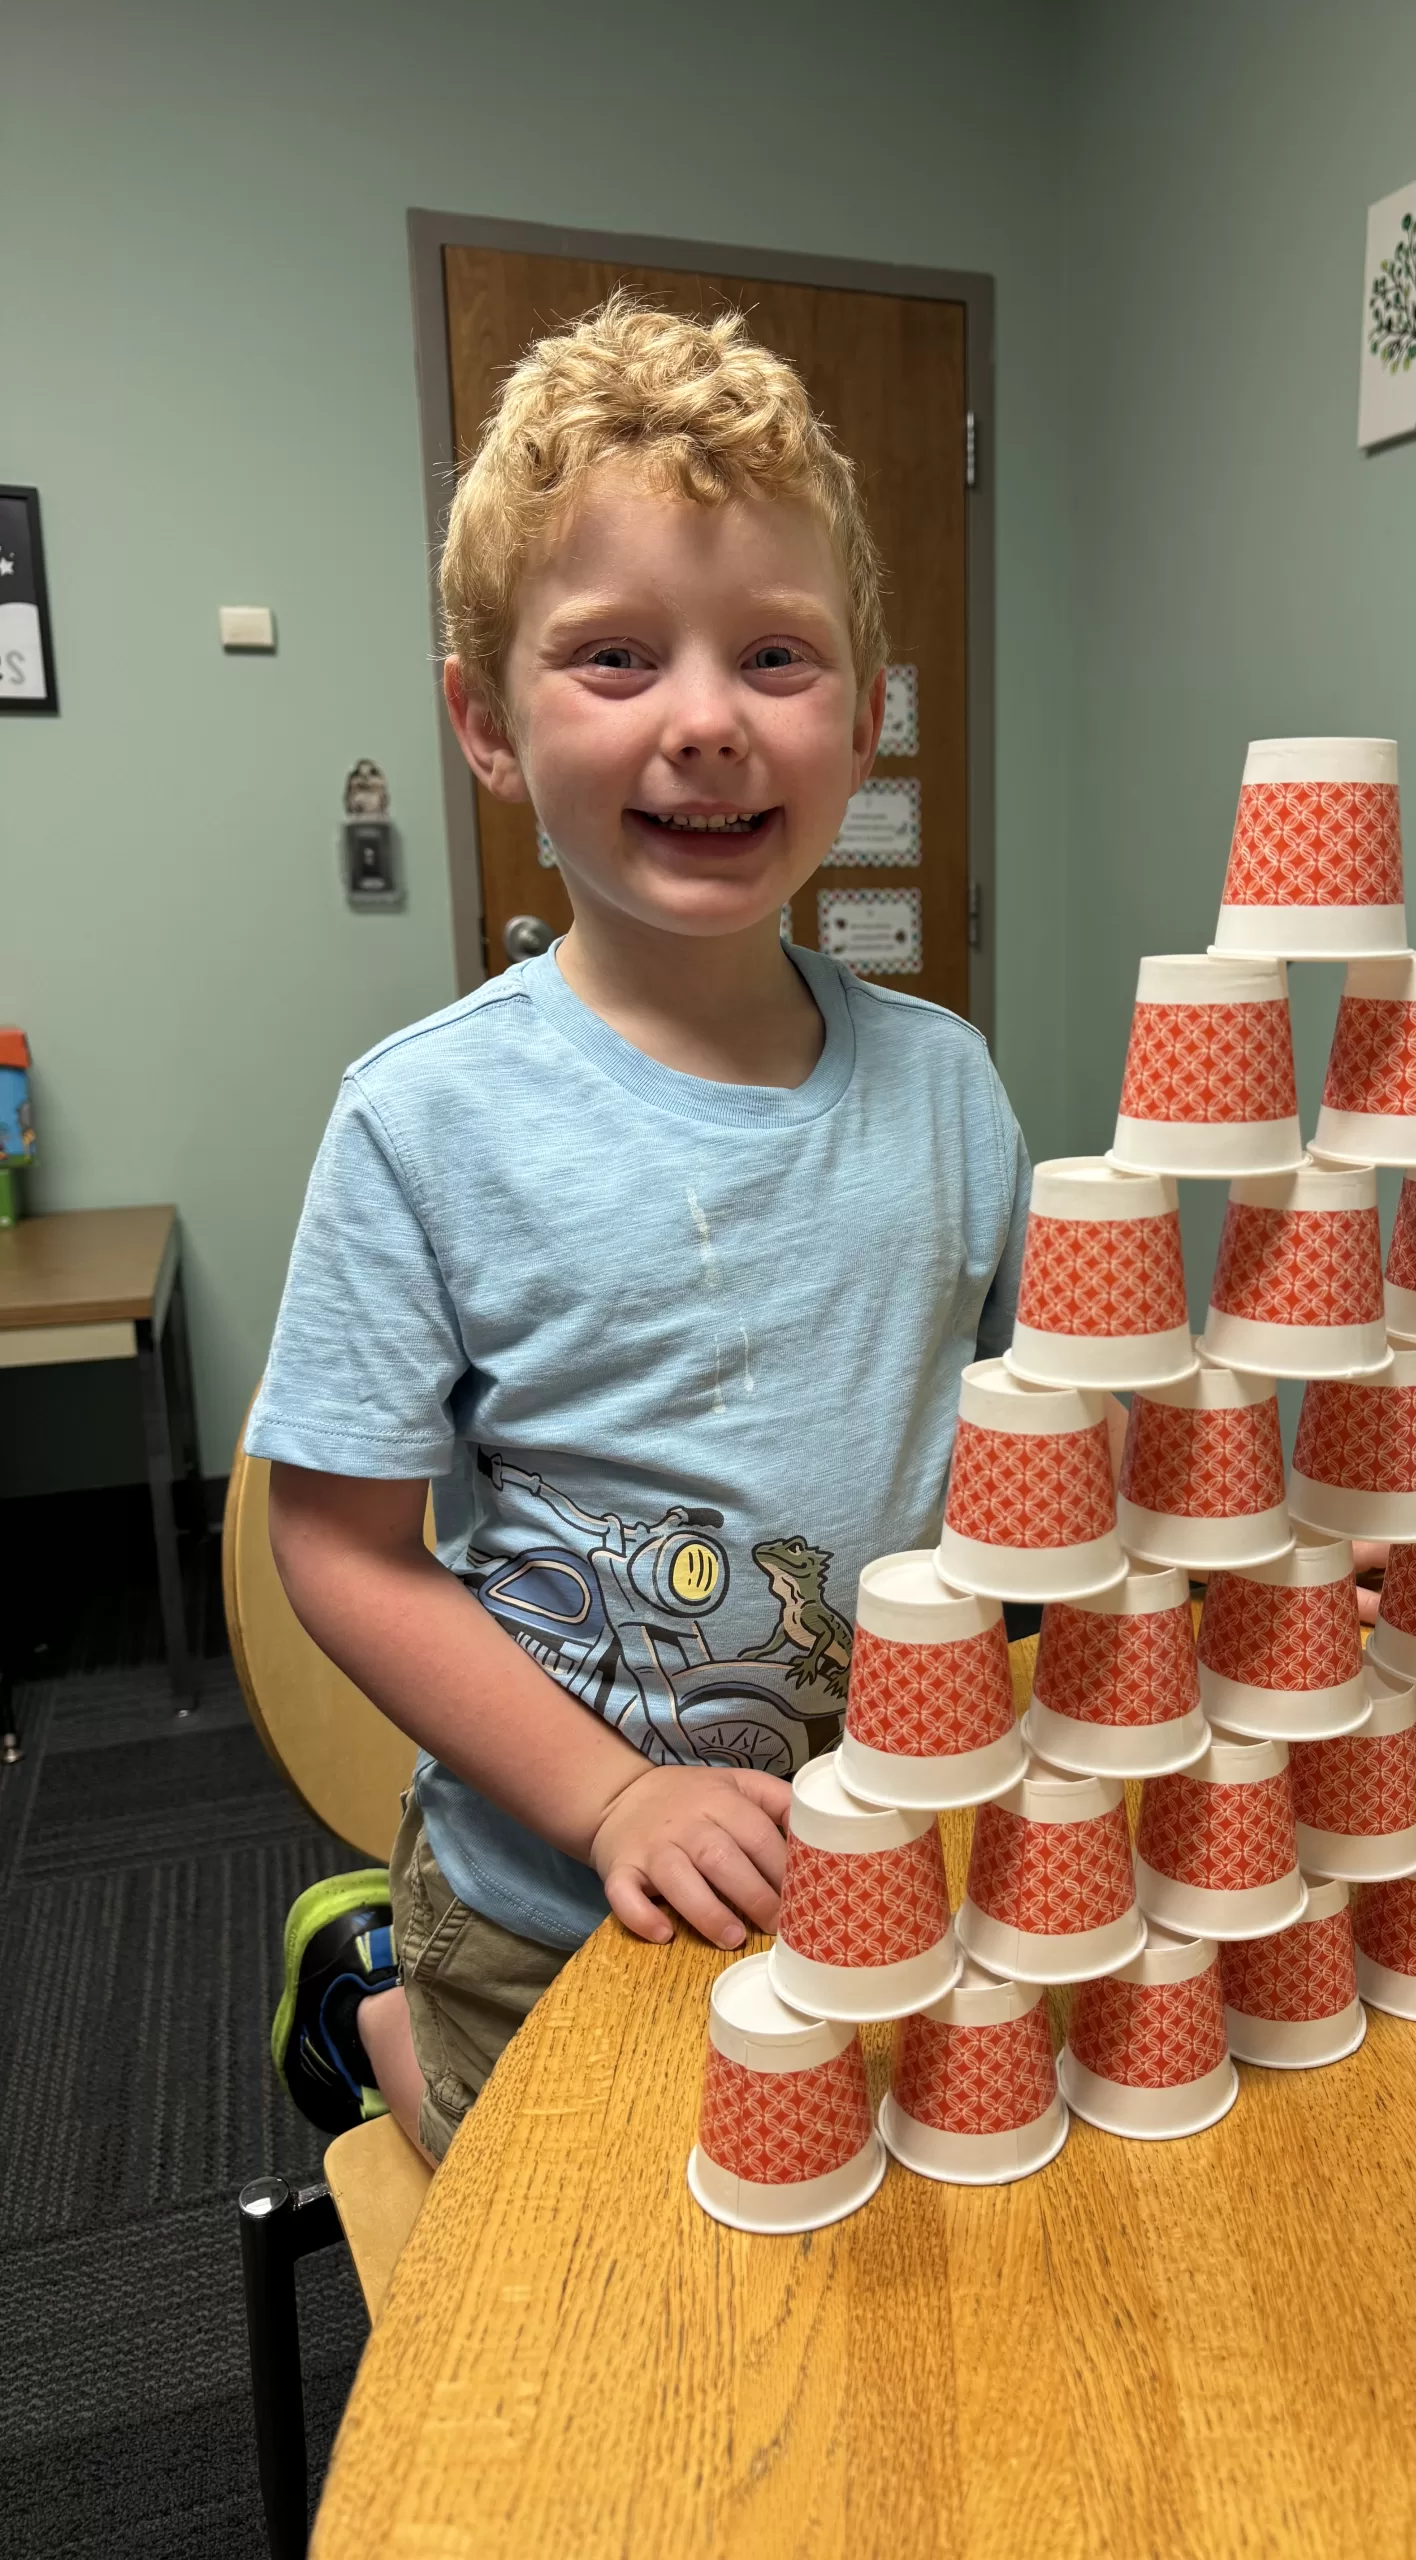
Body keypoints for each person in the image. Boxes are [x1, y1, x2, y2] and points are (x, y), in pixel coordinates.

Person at [256, 294, 1031, 2164]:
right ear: (485, 723)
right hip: (553, 1902)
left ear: (859, 716)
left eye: (778, 655)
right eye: (615, 659)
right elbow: (340, 1546)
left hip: (874, 1858)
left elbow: (1046, 1459)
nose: (706, 721)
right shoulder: (425, 1119)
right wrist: (608, 1803)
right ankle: (380, 2004)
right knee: (600, 2328)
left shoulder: (954, 1092)